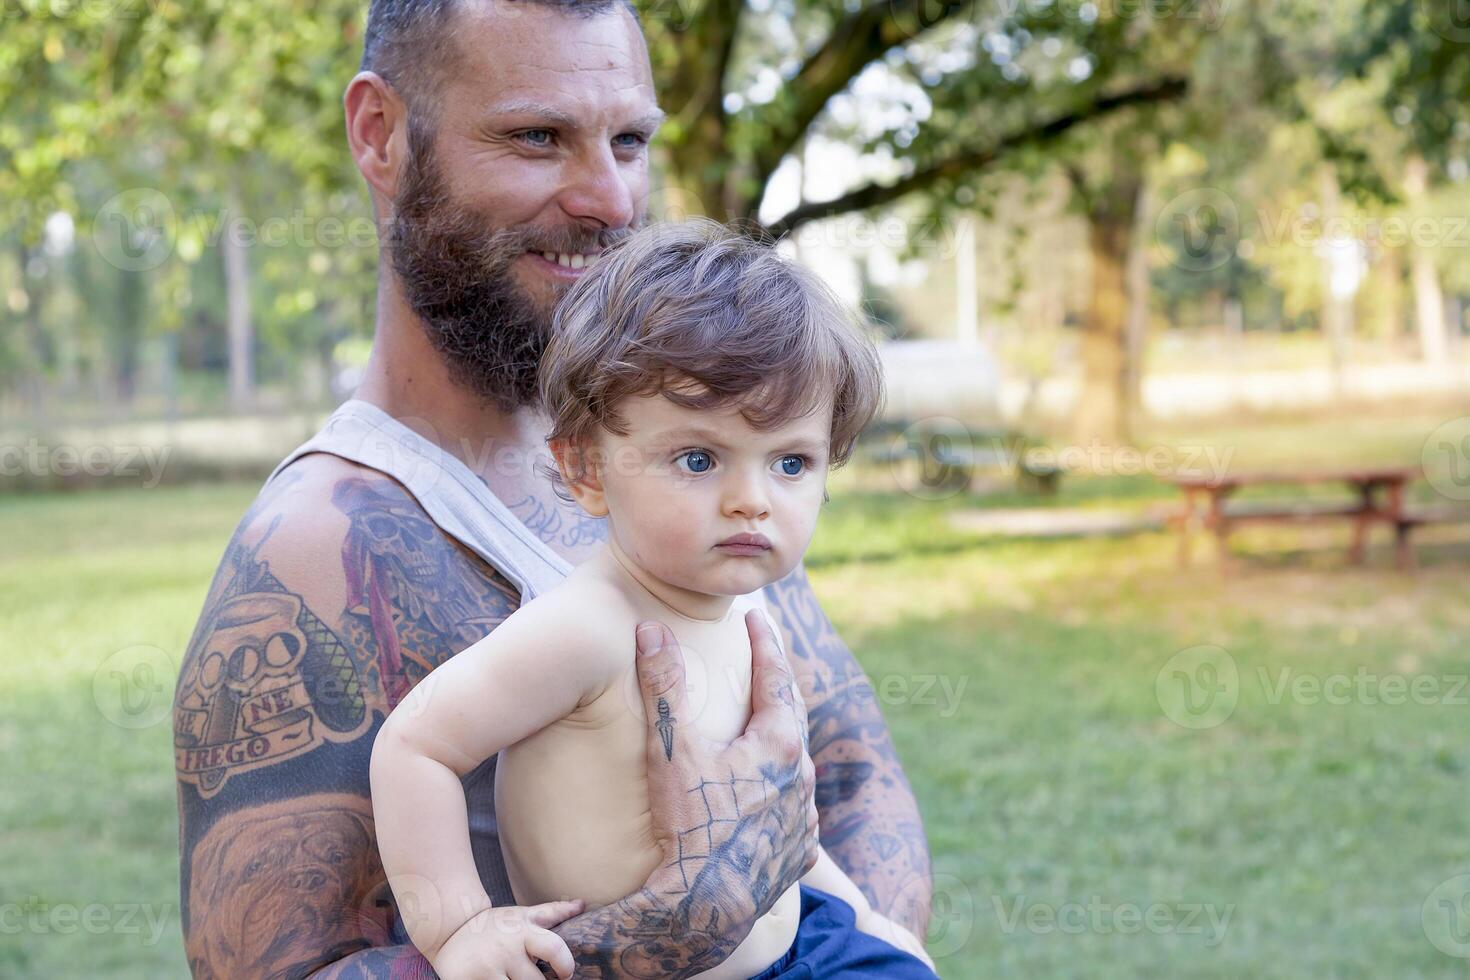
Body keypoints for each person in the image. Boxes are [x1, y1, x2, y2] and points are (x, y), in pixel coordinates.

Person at [172, 1, 932, 975]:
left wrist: (861, 939)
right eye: (538, 137)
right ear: (381, 136)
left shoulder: (694, 459)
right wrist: (648, 939)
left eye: (630, 140)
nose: (610, 199)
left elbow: (854, 769)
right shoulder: (317, 553)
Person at [369, 220, 937, 980]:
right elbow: (417, 746)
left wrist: (866, 919)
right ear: (586, 471)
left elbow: (772, 818)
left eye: (792, 462)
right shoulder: (585, 628)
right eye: (699, 459)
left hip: (806, 944)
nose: (751, 501)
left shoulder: (746, 613)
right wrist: (462, 929)